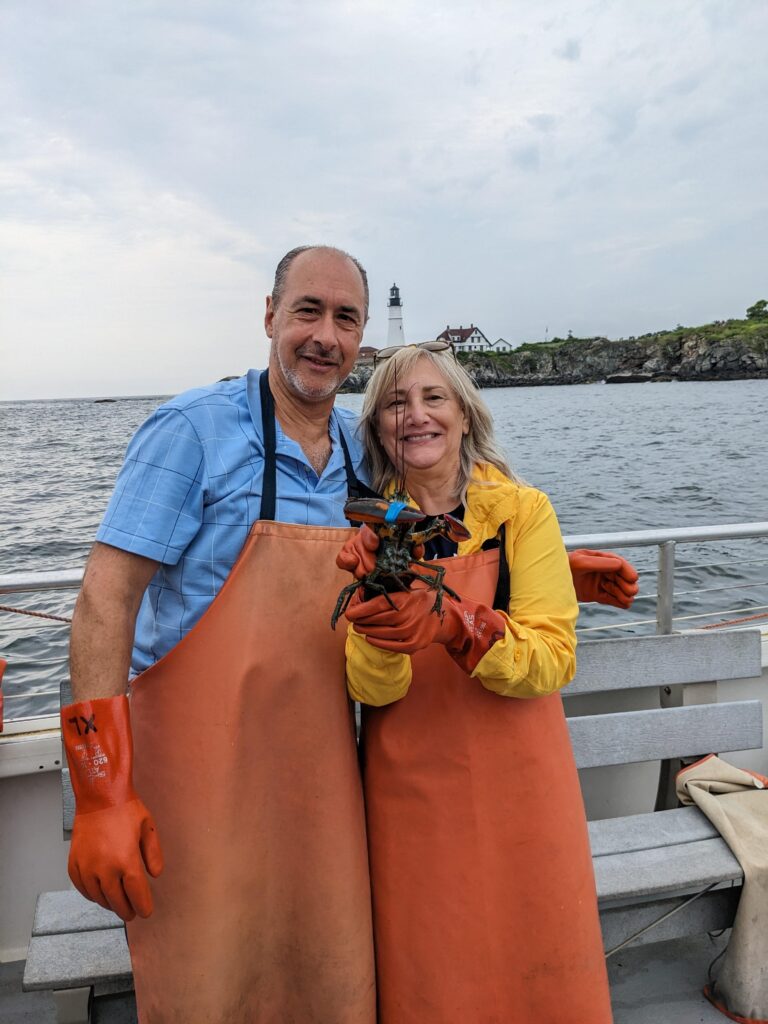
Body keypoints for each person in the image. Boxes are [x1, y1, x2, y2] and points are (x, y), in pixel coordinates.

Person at [63, 245, 377, 1023]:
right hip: (199, 765)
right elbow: (107, 599)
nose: (324, 336)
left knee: (325, 965)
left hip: (324, 763)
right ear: (269, 316)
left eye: (345, 318)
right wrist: (102, 794)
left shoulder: (363, 451)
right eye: (307, 310)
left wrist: (545, 571)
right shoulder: (191, 431)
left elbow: (446, 519)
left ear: (362, 339)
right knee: (205, 976)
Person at [337, 342, 615, 1023]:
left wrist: (457, 625)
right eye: (396, 404)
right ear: (376, 429)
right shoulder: (366, 527)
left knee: (541, 956)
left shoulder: (523, 512)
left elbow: (553, 656)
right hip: (412, 793)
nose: (417, 415)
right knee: (434, 967)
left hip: (525, 783)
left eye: (435, 398)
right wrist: (378, 629)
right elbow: (372, 693)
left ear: (465, 414)